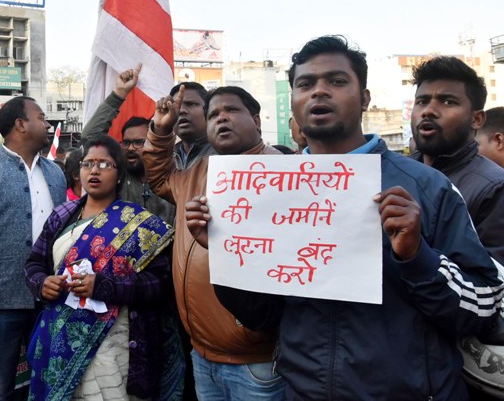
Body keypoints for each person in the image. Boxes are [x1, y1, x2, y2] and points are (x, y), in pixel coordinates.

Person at [187, 35, 504, 400]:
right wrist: (229, 253)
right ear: (294, 101)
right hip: (304, 390)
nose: (319, 92)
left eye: (337, 82)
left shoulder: (428, 187)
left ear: (365, 98)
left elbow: (484, 305)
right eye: (306, 84)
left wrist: (418, 257)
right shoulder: (269, 193)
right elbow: (264, 317)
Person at [143, 85, 284, 400]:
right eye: (213, 115)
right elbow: (159, 177)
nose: (221, 119)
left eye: (231, 111)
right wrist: (161, 132)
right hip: (202, 354)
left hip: (256, 363)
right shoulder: (198, 172)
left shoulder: (285, 173)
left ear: (257, 120)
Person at [24, 134, 183, 399]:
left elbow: (160, 283)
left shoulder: (139, 223)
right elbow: (33, 264)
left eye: (105, 164)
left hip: (115, 338)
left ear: (119, 174)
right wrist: (42, 283)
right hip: (59, 337)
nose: (94, 170)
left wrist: (106, 287)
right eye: (88, 164)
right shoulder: (62, 215)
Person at [0, 96, 67, 400]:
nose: (47, 124)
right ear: (20, 124)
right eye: (42, 118)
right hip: (0, 302)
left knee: (49, 383)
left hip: (51, 298)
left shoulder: (56, 173)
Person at [410, 55, 504, 264]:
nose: (428, 111)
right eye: (421, 101)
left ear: (476, 119)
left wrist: (415, 253)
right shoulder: (393, 172)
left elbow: (493, 285)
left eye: (447, 101)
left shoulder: (494, 189)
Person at [81, 64, 176, 225]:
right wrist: (119, 94)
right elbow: (90, 137)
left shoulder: (171, 176)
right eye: (126, 143)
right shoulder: (117, 177)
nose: (131, 148)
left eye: (139, 142)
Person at [169, 81, 213, 169]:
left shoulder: (226, 153)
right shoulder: (166, 159)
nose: (181, 111)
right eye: (176, 107)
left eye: (191, 104)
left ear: (209, 109)